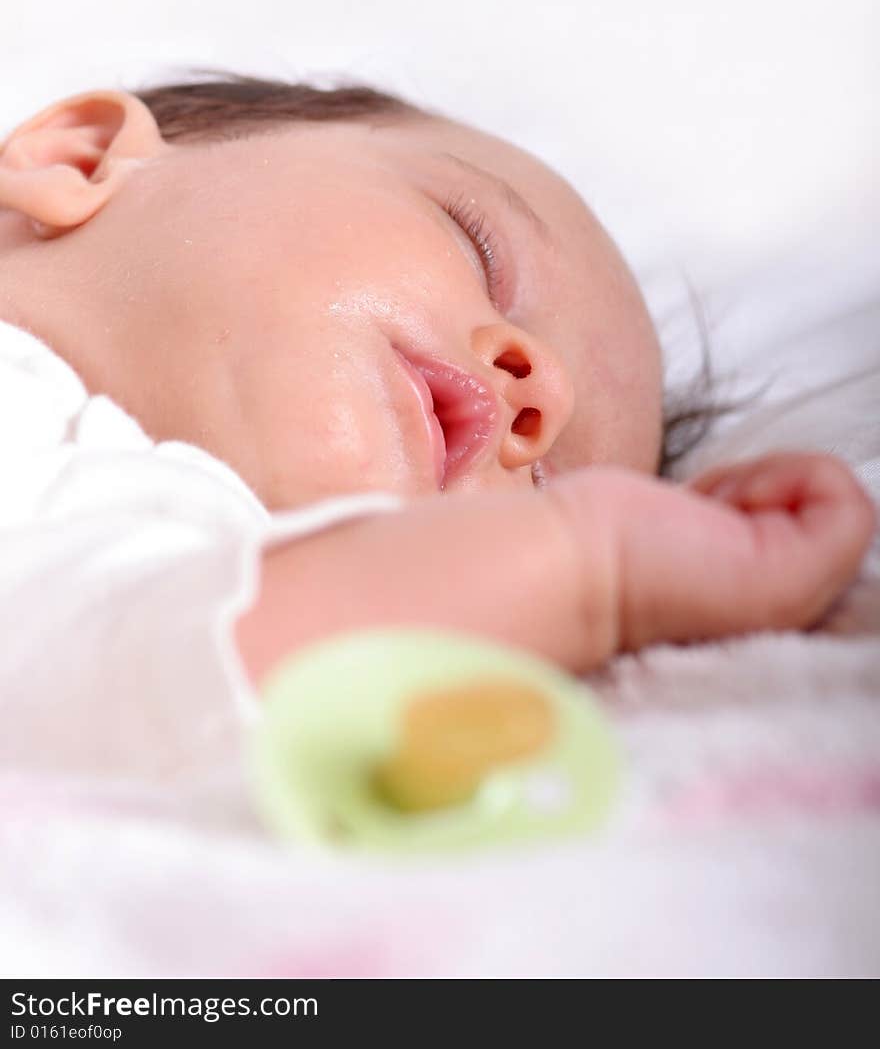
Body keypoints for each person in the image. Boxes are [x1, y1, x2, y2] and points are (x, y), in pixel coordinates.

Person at [0, 73, 873, 804]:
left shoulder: (134, 542)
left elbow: (166, 674)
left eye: (550, 489)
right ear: (79, 157)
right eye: (479, 250)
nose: (544, 396)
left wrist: (601, 570)